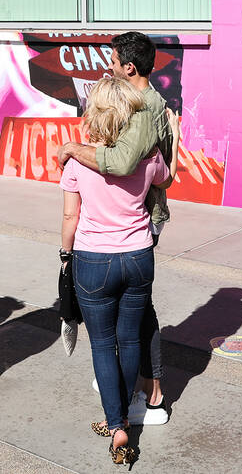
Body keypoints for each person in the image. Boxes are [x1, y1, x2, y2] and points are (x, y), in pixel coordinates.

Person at [57, 31, 180, 426]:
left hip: (107, 247)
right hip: (135, 241)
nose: (108, 68)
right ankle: (130, 395)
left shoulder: (142, 111)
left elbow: (122, 164)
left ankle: (144, 399)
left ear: (129, 67)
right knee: (129, 329)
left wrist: (74, 150)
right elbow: (161, 174)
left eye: (112, 62)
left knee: (117, 335)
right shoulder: (141, 117)